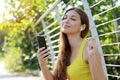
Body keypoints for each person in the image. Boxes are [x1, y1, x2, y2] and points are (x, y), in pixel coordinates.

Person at [37, 7, 107, 80]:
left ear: (82, 27)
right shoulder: (64, 50)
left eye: (73, 19)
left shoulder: (88, 48)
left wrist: (94, 58)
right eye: (64, 18)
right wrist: (42, 64)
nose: (66, 21)